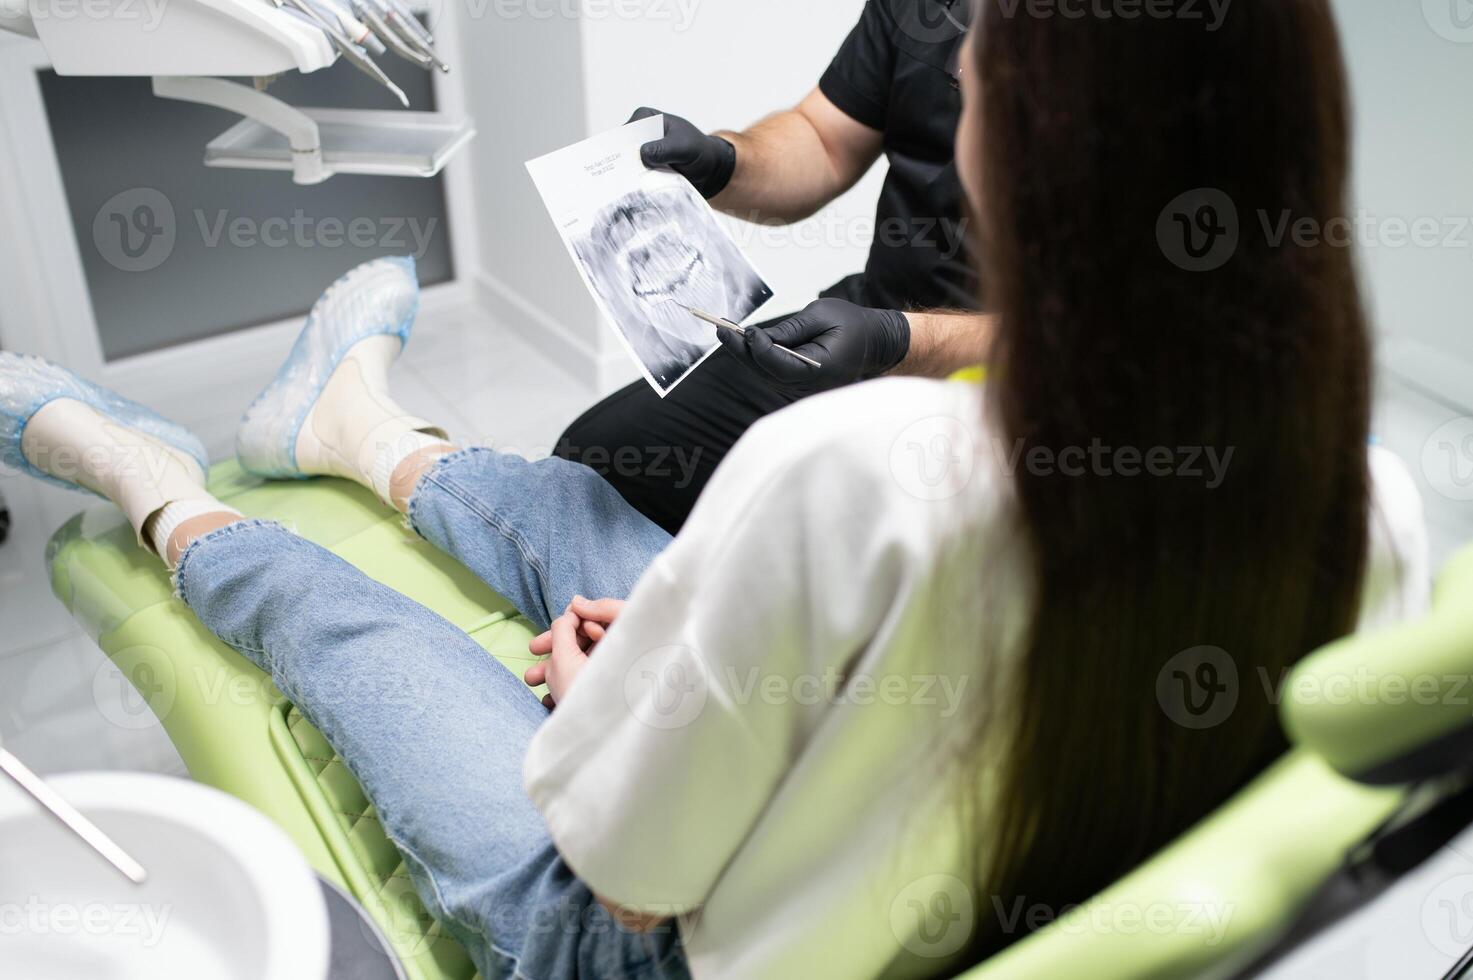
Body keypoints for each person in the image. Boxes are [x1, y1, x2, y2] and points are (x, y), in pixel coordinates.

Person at [0, 1, 1430, 976]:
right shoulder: (1374, 503)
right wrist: (716, 160)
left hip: (637, 948)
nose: (962, 70)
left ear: (1035, 145)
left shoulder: (857, 473)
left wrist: (609, 702)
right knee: (586, 513)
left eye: (986, 64)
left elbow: (626, 877)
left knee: (365, 635)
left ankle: (148, 481)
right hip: (895, 826)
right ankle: (356, 429)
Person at [556, 0, 996, 533]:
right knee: (595, 468)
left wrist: (900, 341)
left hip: (1024, 386)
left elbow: (1111, 337)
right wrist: (723, 162)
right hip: (860, 335)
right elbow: (824, 138)